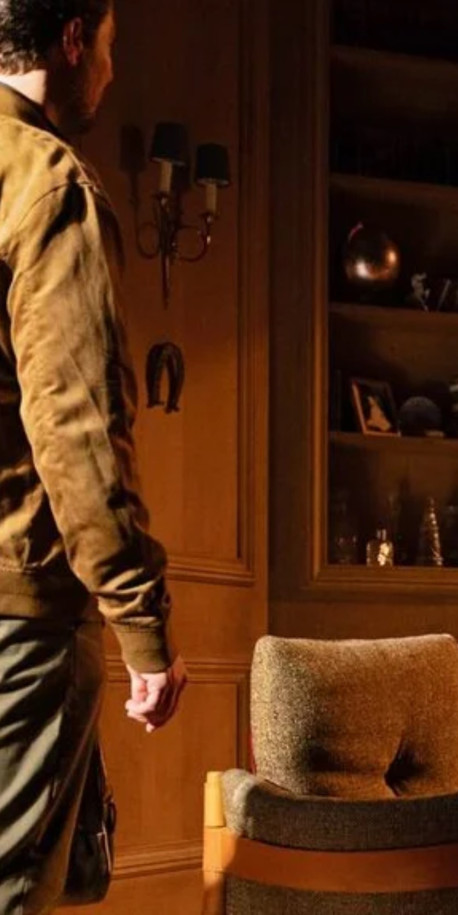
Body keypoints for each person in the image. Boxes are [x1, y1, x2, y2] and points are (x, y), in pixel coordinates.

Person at [2, 1, 189, 910]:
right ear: (72, 39)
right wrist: (143, 627)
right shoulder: (44, 183)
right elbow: (79, 426)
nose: (111, 72)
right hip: (20, 615)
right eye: (109, 46)